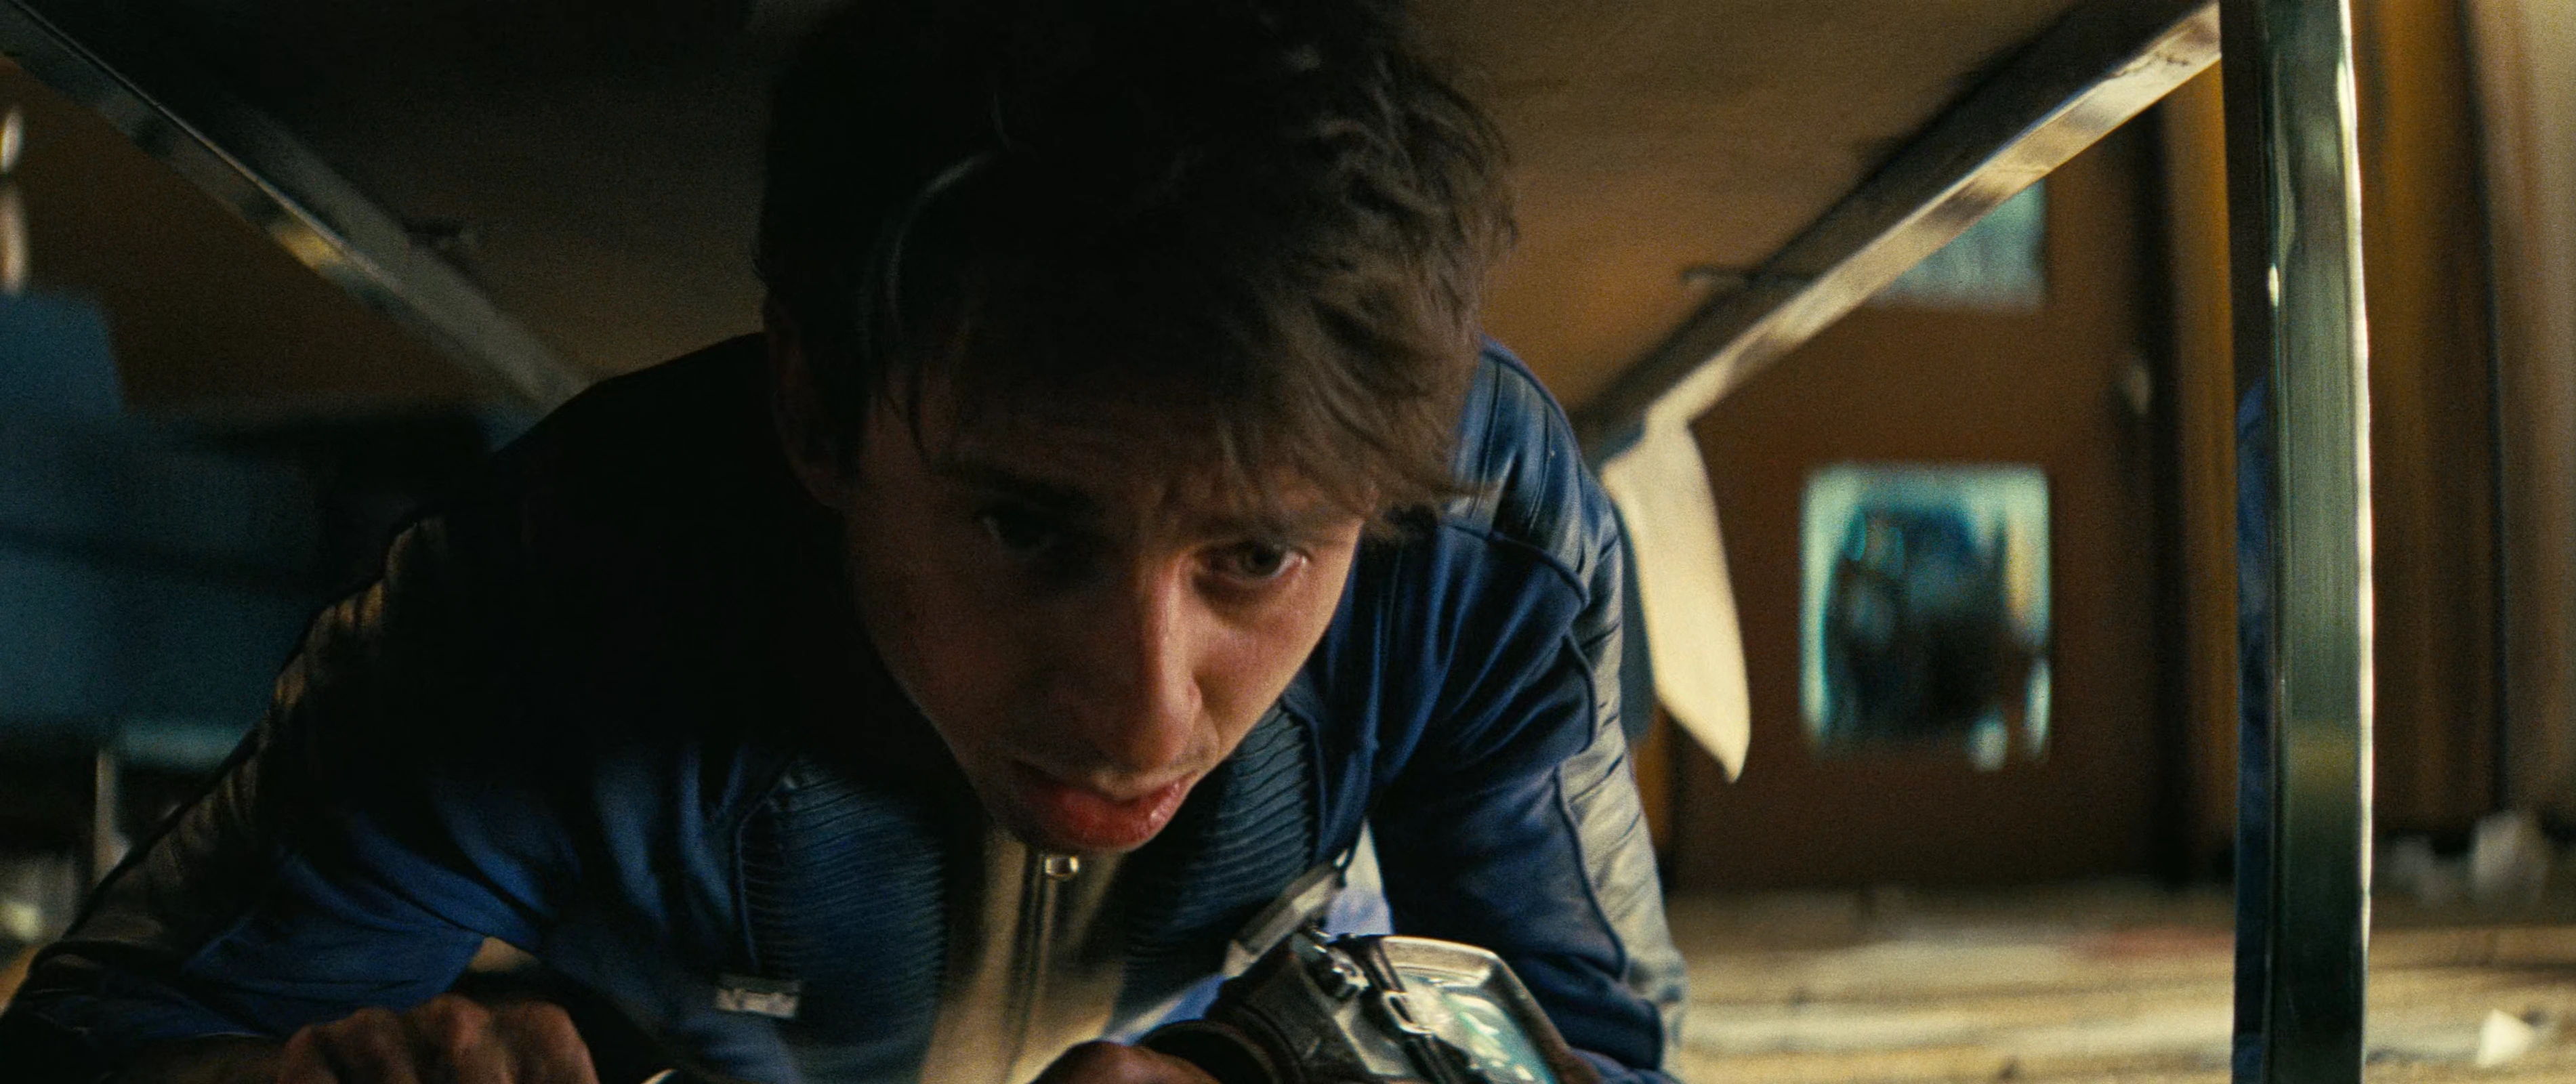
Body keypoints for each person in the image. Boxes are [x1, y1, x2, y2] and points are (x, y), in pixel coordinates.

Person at [0, 1, 1686, 1081]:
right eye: (1026, 525)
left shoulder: (1478, 527)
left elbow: (1604, 1047)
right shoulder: (563, 594)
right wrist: (286, 1076)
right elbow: (94, 1037)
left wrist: (1276, 1071)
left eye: (1257, 558)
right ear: (816, 413)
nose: (1141, 711)